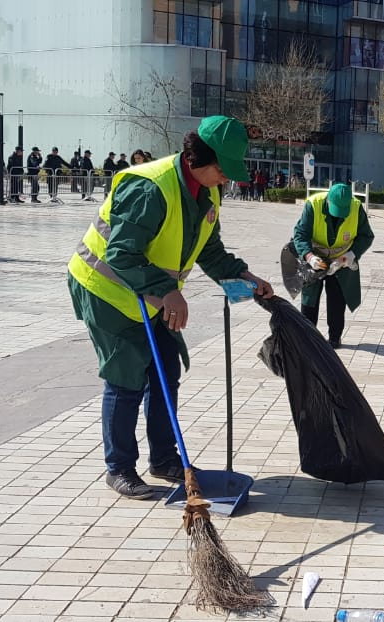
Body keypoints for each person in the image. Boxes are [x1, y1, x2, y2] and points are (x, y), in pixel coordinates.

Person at [67, 115, 274, 499]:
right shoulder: (149, 189)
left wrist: (245, 276)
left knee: (165, 371)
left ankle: (164, 459)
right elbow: (121, 254)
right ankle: (119, 468)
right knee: (126, 378)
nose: (225, 179)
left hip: (151, 296)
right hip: (106, 289)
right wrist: (167, 291)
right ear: (197, 158)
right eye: (222, 170)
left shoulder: (208, 192)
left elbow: (210, 251)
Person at [292, 183, 375, 348]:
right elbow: (300, 234)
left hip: (341, 260)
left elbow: (366, 236)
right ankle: (308, 338)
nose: (339, 215)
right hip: (315, 256)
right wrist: (309, 256)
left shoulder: (356, 208)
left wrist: (351, 255)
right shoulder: (313, 205)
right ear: (328, 200)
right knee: (309, 298)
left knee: (337, 299)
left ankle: (335, 338)